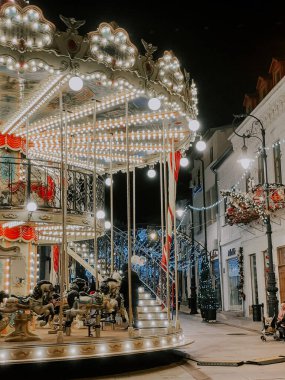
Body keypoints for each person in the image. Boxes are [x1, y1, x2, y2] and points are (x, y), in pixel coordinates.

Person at [119, 263, 141, 328]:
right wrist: (134, 287)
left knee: (129, 310)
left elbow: (122, 288)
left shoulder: (125, 276)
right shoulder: (135, 274)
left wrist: (120, 291)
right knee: (134, 309)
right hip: (135, 294)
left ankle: (131, 323)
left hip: (127, 295)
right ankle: (136, 323)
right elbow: (139, 283)